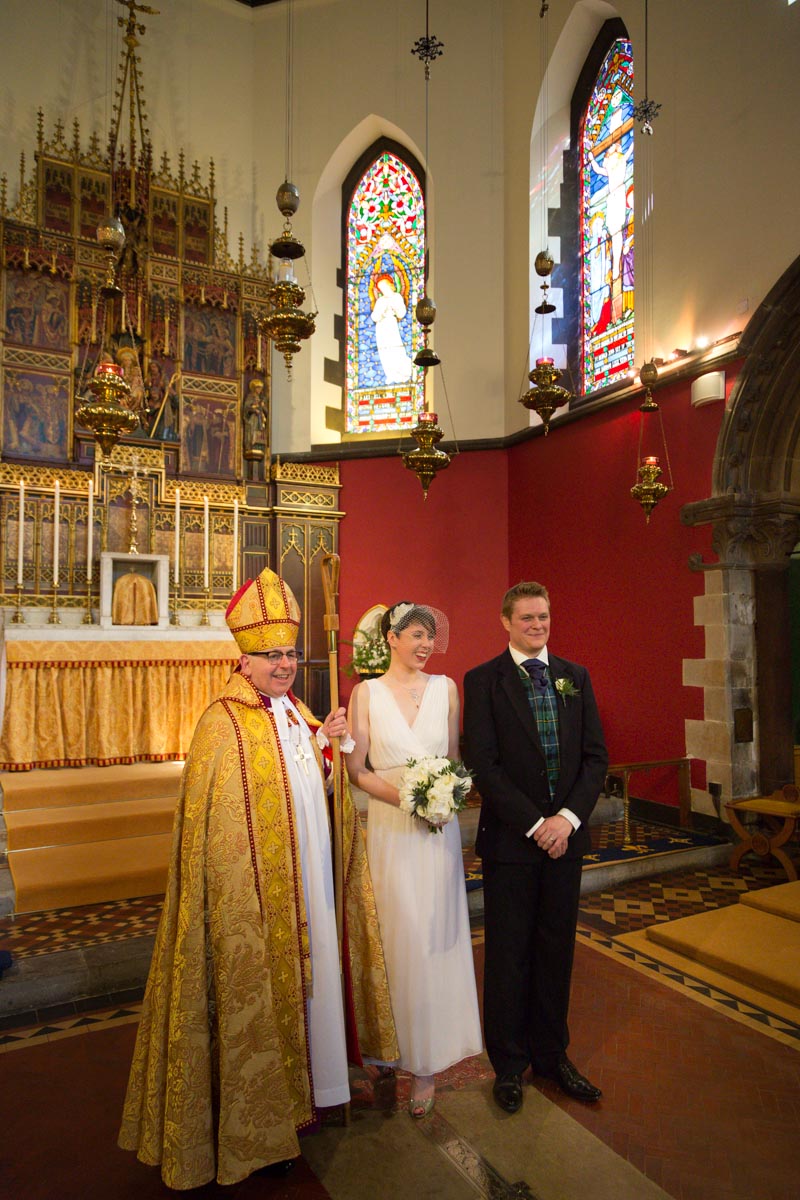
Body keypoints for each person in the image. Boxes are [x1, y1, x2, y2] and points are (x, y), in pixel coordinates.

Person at [119, 566, 398, 1189]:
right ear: (243, 659)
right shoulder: (222, 724)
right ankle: (262, 1123)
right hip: (257, 902)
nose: (285, 665)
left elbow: (316, 792)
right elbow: (217, 832)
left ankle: (314, 1093)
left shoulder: (297, 712)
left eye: (291, 654)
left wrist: (329, 750)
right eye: (272, 655)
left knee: (313, 991)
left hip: (309, 889)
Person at [463, 581, 607, 1115]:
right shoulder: (484, 681)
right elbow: (483, 764)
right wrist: (536, 824)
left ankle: (551, 1056)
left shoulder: (575, 676)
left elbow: (595, 757)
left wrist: (566, 820)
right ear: (506, 622)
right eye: (526, 618)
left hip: (565, 842)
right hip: (512, 842)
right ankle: (508, 1064)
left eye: (543, 616)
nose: (537, 625)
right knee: (508, 954)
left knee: (555, 950)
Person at [347, 601, 482, 1118]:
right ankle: (387, 1044)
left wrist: (445, 796)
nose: (426, 645)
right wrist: (408, 799)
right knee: (394, 932)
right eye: (416, 636)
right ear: (392, 639)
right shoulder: (366, 694)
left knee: (433, 933)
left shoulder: (447, 690)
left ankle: (427, 1061)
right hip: (391, 829)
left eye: (430, 636)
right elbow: (357, 769)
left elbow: (454, 760)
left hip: (436, 833)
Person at [370, 274, 414, 384]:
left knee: (395, 348)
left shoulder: (397, 297)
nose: (382, 290)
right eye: (380, 288)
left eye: (384, 286)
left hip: (391, 325)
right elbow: (374, 317)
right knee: (384, 351)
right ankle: (390, 374)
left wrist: (394, 307)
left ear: (390, 285)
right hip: (381, 328)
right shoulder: (380, 301)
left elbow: (401, 313)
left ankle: (401, 373)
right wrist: (381, 311)